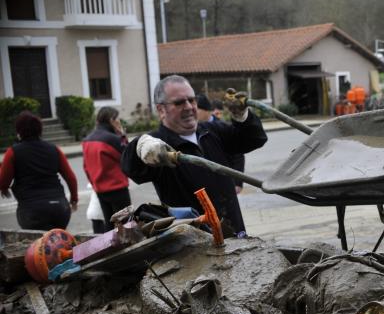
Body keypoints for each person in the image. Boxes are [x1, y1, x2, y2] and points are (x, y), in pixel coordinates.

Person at [121, 75, 267, 237]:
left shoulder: (212, 131)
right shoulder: (158, 146)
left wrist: (242, 116)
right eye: (179, 102)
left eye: (192, 100)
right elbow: (131, 168)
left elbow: (254, 139)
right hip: (194, 242)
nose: (189, 106)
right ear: (161, 109)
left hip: (235, 231)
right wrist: (139, 145)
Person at [0, 111, 78, 230]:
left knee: (38, 246)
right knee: (58, 243)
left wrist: (4, 188)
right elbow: (71, 178)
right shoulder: (54, 149)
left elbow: (3, 180)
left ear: (19, 131)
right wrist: (74, 200)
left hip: (32, 211)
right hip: (60, 209)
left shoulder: (13, 152)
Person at [82, 106, 130, 231]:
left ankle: (112, 249)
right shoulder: (112, 139)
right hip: (118, 188)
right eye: (117, 119)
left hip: (100, 189)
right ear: (111, 120)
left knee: (109, 225)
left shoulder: (87, 140)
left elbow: (86, 167)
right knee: (125, 225)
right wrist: (122, 133)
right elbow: (128, 156)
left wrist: (94, 184)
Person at [197, 93, 247, 195]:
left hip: (226, 181)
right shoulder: (191, 129)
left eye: (196, 108)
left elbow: (238, 155)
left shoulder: (223, 127)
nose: (191, 111)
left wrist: (238, 182)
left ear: (206, 110)